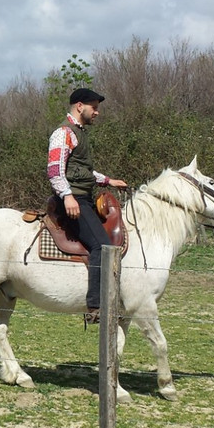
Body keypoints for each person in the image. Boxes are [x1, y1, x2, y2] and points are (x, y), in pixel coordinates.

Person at [47, 88, 128, 324]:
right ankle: (96, 307)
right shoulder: (63, 133)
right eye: (94, 107)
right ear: (79, 106)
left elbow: (81, 171)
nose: (98, 112)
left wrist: (108, 181)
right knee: (102, 247)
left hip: (80, 196)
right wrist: (68, 196)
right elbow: (54, 171)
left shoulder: (79, 133)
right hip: (72, 201)